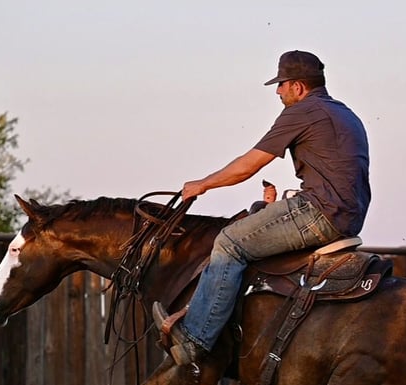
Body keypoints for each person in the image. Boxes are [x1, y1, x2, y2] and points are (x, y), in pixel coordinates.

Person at [153, 50, 371, 366]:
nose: (278, 91)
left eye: (281, 84)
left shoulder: (303, 111)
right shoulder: (346, 113)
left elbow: (248, 165)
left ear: (298, 86)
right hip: (349, 217)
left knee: (229, 242)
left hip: (319, 213)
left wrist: (202, 184)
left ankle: (196, 338)